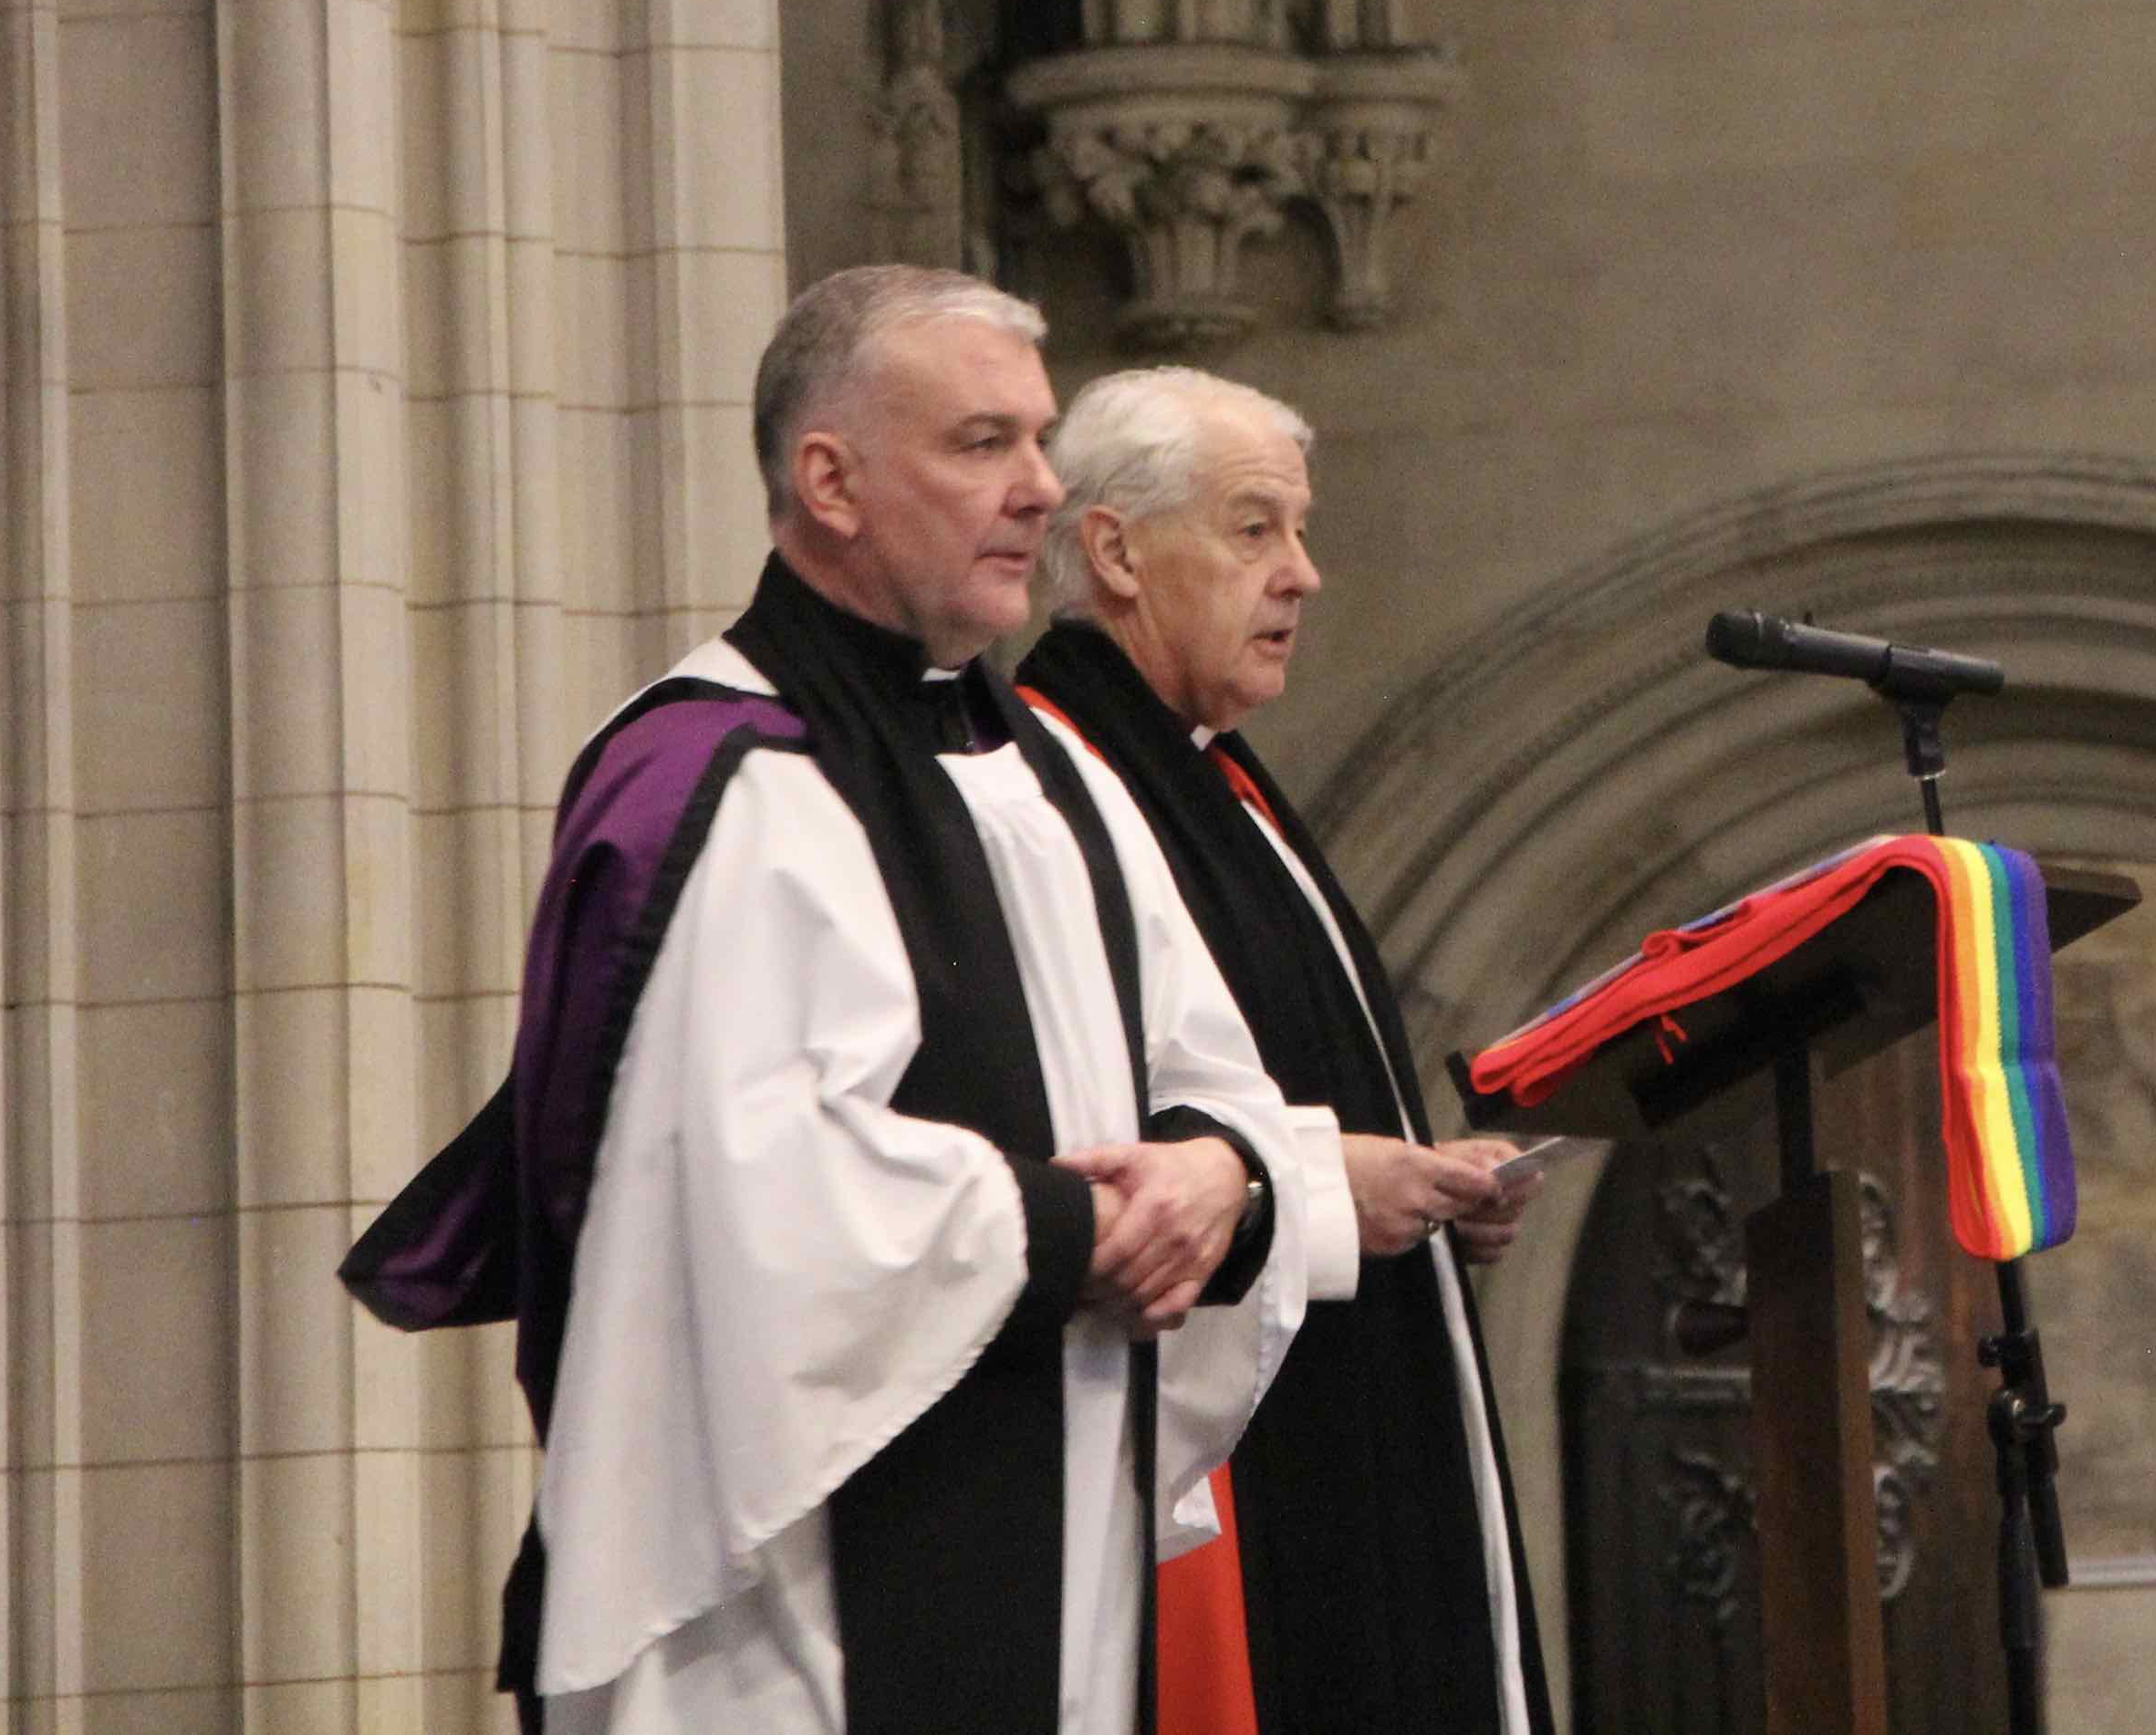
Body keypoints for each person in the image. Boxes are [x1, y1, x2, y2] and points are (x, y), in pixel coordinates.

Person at [344, 269, 1347, 1735]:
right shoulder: (717, 778)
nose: (1041, 489)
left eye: (1042, 441)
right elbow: (747, 1196)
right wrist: (1088, 1228)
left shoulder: (1052, 780)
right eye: (982, 443)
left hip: (1069, 1556)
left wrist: (1224, 1175)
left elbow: (1212, 1072)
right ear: (831, 480)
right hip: (783, 1619)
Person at [1016, 368, 1557, 1735]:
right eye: (1255, 530)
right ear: (1117, 552)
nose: (1304, 575)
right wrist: (1325, 1194)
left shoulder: (1215, 779)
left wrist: (1418, 1189)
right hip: (1234, 1467)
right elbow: (1099, 1132)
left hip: (1350, 1377)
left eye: (1299, 533)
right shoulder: (1058, 787)